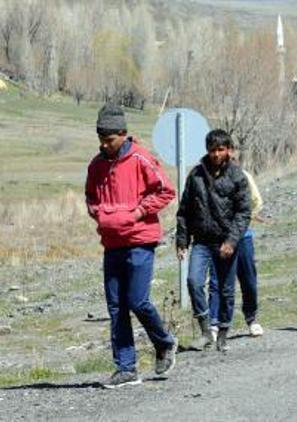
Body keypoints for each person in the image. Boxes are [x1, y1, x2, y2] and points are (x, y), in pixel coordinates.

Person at [85, 104, 178, 388]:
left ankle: (164, 343)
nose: (104, 144)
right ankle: (126, 367)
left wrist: (136, 213)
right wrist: (101, 214)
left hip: (140, 240)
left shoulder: (141, 158)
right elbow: (90, 196)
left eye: (109, 139)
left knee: (137, 300)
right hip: (112, 243)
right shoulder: (96, 164)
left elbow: (166, 191)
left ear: (123, 135)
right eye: (100, 138)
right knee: (116, 307)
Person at [176, 129, 251, 352]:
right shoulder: (196, 176)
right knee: (193, 281)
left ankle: (224, 333)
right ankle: (205, 330)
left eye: (220, 149)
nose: (216, 154)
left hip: (226, 242)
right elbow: (184, 211)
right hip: (201, 241)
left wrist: (231, 241)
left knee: (226, 290)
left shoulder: (237, 176)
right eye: (212, 150)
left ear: (228, 150)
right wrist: (182, 241)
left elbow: (243, 212)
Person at [207, 159, 265, 339]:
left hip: (243, 236)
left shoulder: (243, 176)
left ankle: (252, 318)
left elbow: (256, 201)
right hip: (218, 238)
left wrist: (244, 217)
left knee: (248, 278)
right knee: (218, 281)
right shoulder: (207, 179)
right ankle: (214, 323)